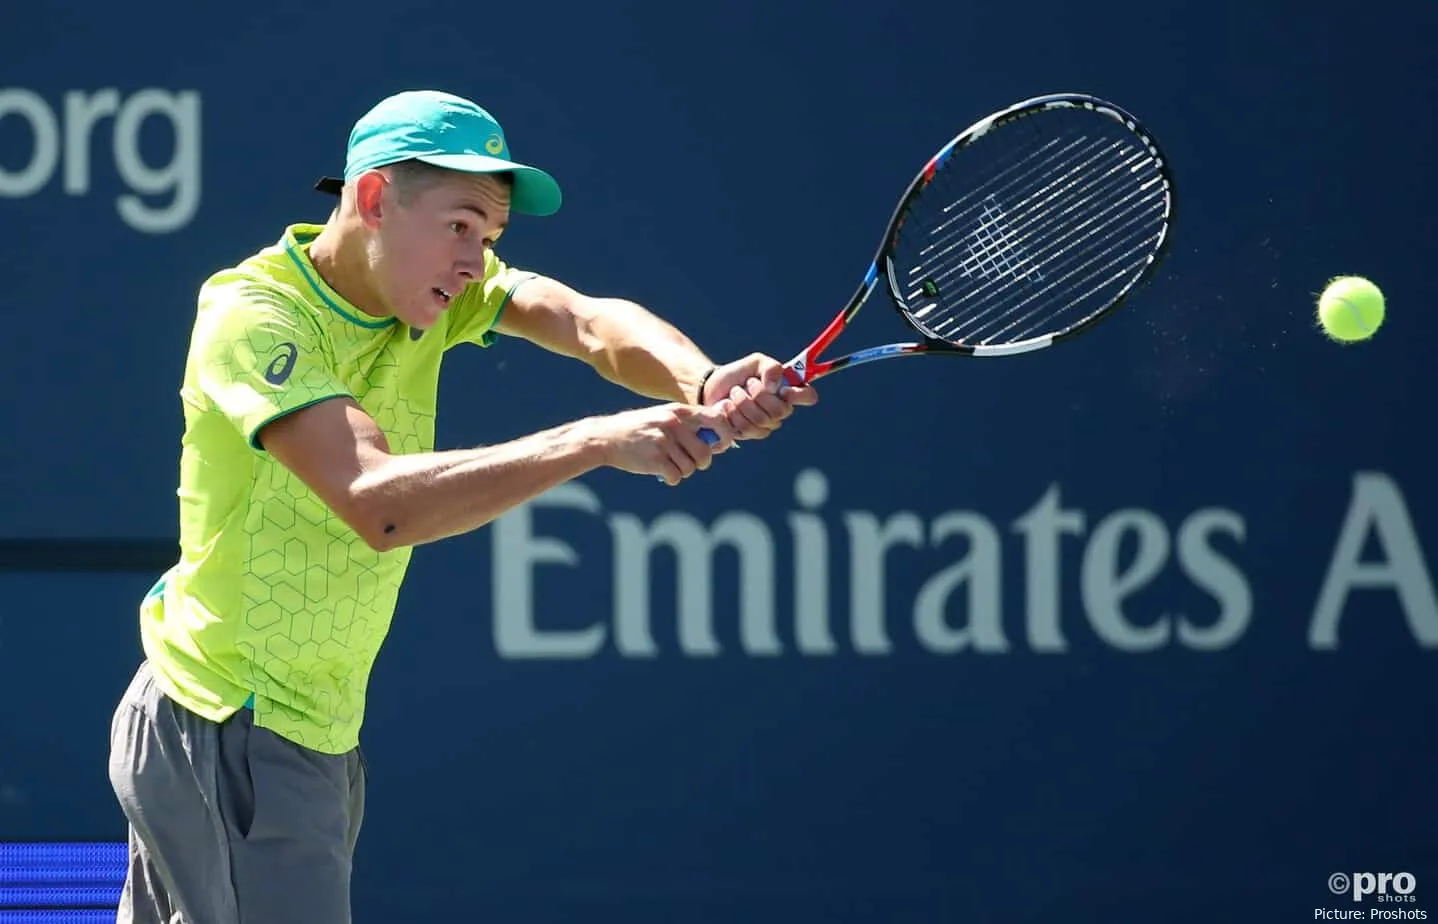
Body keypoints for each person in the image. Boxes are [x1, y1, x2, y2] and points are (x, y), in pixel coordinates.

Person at [106, 88, 817, 924]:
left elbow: (584, 320)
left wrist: (699, 378)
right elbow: (377, 504)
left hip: (306, 733)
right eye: (459, 226)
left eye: (489, 238)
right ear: (372, 199)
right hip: (231, 725)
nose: (475, 261)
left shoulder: (434, 296)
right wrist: (592, 442)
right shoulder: (254, 314)